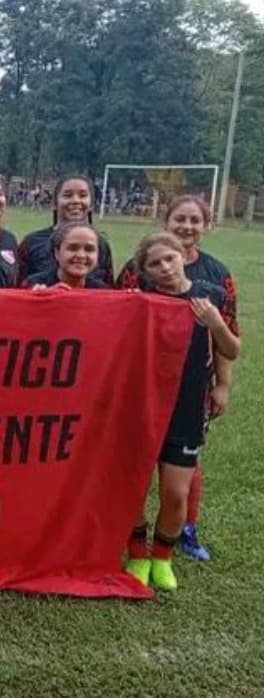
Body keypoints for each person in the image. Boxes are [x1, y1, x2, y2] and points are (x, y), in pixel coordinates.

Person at [116, 195, 238, 562]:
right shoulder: (140, 291)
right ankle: (137, 554)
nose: (165, 267)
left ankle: (169, 550)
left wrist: (222, 382)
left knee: (177, 489)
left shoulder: (214, 288)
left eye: (194, 220)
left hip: (187, 400)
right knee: (132, 482)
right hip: (142, 397)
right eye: (156, 263)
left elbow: (230, 349)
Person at [16, 174, 114, 284]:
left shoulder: (100, 244)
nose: (76, 200)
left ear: (91, 204)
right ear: (54, 203)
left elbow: (110, 292)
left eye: (82, 195)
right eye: (68, 195)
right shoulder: (32, 242)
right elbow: (17, 288)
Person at [23, 222, 109, 289]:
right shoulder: (33, 284)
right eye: (73, 248)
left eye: (89, 249)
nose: (81, 255)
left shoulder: (102, 291)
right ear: (57, 252)